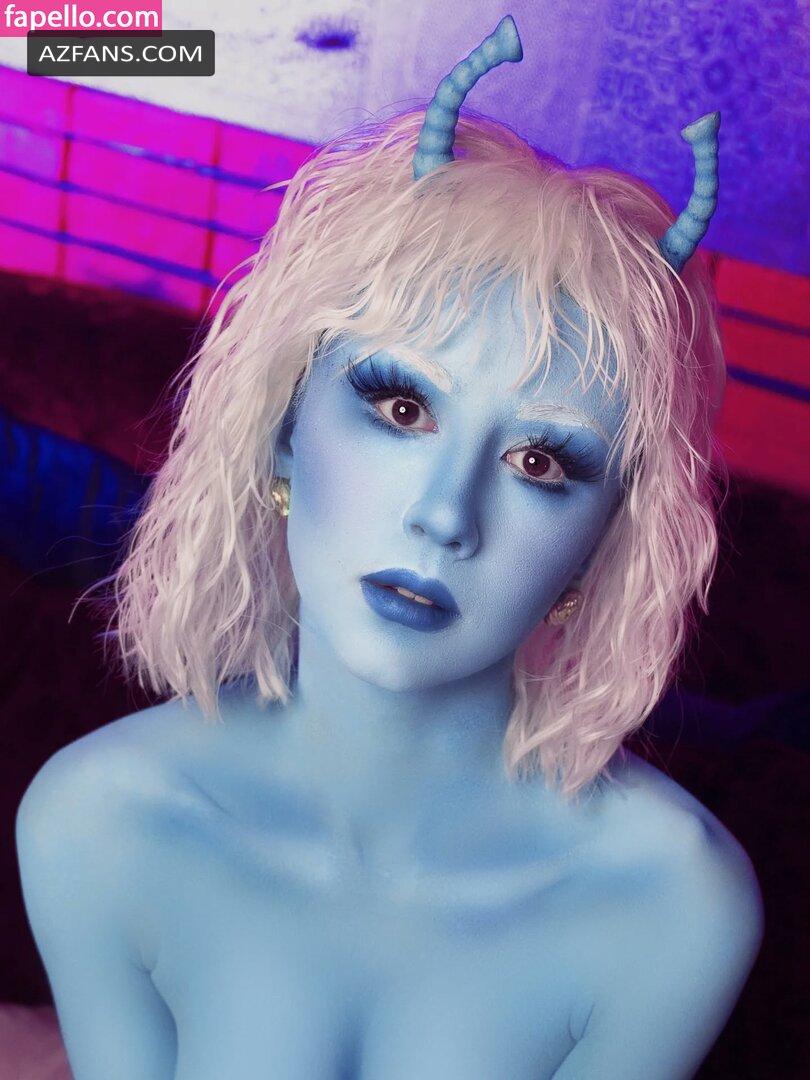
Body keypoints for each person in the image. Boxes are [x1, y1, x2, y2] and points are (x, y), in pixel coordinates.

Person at [16, 16, 763, 1080]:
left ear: (605, 543)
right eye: (403, 408)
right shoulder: (96, 822)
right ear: (283, 425)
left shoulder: (674, 905)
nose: (445, 516)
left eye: (541, 462)